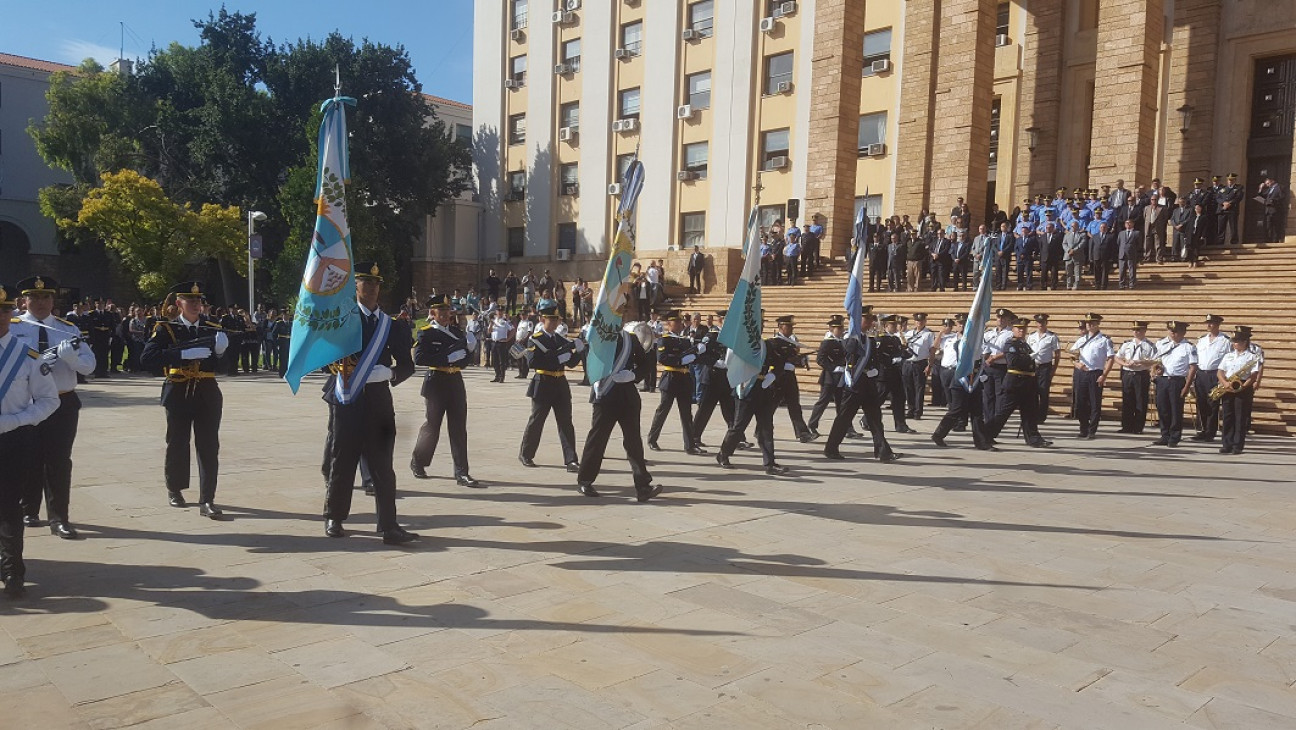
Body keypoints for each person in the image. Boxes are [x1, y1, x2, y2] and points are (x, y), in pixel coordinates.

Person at [320, 263, 418, 544]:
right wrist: (345, 371)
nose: (372, 287)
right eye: (365, 282)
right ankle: (334, 518)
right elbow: (326, 360)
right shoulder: (342, 320)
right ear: (355, 286)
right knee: (343, 458)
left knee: (383, 465)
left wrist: (389, 373)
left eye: (376, 283)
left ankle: (389, 526)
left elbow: (407, 365)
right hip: (348, 399)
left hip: (379, 401)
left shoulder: (393, 326)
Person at [9, 276, 95, 539]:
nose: (40, 302)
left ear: (53, 300)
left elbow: (90, 366)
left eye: (45, 297)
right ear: (24, 300)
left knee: (58, 460)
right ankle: (28, 509)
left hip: (62, 400)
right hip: (28, 401)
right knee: (27, 458)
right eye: (34, 297)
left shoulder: (68, 329)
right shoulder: (11, 327)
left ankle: (59, 517)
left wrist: (72, 360)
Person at [140, 282, 232, 517]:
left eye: (198, 301)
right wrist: (180, 355)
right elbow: (147, 358)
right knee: (177, 443)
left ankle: (207, 499)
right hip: (178, 390)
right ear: (178, 303)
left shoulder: (212, 328)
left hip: (207, 391)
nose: (195, 304)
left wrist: (223, 352)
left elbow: (226, 366)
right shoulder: (165, 329)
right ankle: (175, 488)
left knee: (209, 446)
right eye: (189, 301)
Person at [0, 283, 60, 597]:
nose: (0, 316)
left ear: (12, 313)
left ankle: (13, 571)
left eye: (4, 310)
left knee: (10, 507)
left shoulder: (27, 356)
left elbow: (50, 400)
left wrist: (16, 420)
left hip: (13, 441)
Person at [577, 321, 662, 501]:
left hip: (627, 396)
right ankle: (585, 480)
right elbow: (589, 360)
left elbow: (645, 363)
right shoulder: (599, 338)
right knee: (597, 439)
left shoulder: (630, 339)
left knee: (634, 442)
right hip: (605, 396)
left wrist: (633, 375)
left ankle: (643, 486)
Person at [410, 295, 480, 487]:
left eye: (446, 312)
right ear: (433, 313)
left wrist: (470, 351)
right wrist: (446, 357)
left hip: (455, 381)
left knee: (459, 428)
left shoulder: (457, 334)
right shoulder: (426, 333)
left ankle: (462, 472)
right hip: (436, 382)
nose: (444, 315)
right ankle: (418, 460)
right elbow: (420, 358)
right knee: (432, 426)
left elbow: (464, 360)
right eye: (440, 312)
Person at [823, 310, 897, 462]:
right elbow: (848, 353)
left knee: (875, 418)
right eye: (867, 318)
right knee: (843, 418)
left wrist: (874, 370)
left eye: (871, 319)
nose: (870, 322)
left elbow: (874, 359)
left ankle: (883, 451)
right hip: (854, 386)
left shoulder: (868, 340)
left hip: (868, 385)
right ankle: (831, 448)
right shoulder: (848, 338)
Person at [716, 328, 792, 474]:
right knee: (739, 426)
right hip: (746, 389)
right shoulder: (742, 345)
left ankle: (769, 463)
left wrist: (773, 376)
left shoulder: (767, 345)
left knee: (766, 427)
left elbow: (779, 363)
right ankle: (723, 454)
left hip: (763, 389)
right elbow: (731, 363)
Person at [518, 304, 583, 470]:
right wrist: (557, 360)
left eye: (556, 320)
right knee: (537, 421)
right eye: (551, 320)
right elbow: (532, 362)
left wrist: (580, 351)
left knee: (566, 423)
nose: (554, 323)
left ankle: (571, 459)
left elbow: (571, 362)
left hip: (560, 383)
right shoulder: (536, 339)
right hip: (543, 383)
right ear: (542, 319)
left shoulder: (561, 339)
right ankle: (526, 454)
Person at [985, 318, 1051, 448]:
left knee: (1030, 412)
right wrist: (1029, 358)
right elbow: (1013, 362)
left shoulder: (1024, 344)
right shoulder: (1010, 344)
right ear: (1013, 330)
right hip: (1015, 382)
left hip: (1028, 382)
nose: (1022, 331)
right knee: (1003, 412)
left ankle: (1033, 438)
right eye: (1019, 328)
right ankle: (986, 435)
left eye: (1024, 328)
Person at [646, 310, 704, 454]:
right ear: (668, 324)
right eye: (675, 322)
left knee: (686, 413)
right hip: (670, 377)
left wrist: (695, 354)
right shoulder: (664, 339)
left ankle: (690, 445)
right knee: (663, 410)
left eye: (679, 322)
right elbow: (662, 357)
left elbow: (690, 354)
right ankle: (652, 439)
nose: (679, 325)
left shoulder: (684, 340)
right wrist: (680, 360)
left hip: (684, 378)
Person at [692, 311, 738, 448]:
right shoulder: (712, 335)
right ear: (720, 320)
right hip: (712, 377)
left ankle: (737, 437)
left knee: (730, 410)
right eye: (725, 320)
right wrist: (715, 362)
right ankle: (694, 436)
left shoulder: (734, 337)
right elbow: (700, 355)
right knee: (705, 409)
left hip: (726, 377)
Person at [1216, 325, 1262, 455]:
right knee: (1227, 416)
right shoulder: (1228, 356)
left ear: (1244, 342)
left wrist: (1243, 386)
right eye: (1233, 341)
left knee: (1240, 417)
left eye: (1237, 341)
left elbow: (1253, 375)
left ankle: (1237, 445)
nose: (1234, 343)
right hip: (1228, 385)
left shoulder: (1252, 357)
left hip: (1243, 386)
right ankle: (1227, 444)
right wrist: (1225, 383)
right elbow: (1220, 372)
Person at [1150, 321, 1198, 447]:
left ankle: (1174, 436)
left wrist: (1187, 386)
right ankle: (1164, 435)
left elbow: (1192, 367)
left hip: (1177, 380)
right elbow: (1156, 361)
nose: (1172, 333)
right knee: (1162, 408)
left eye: (1175, 331)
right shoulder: (1162, 344)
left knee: (1175, 409)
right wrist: (1156, 368)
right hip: (1163, 380)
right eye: (1170, 330)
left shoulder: (1188, 347)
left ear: (1183, 332)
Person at [1068, 313, 1114, 439]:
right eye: (1088, 323)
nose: (1089, 325)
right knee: (1081, 402)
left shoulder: (1104, 340)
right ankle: (1083, 428)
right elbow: (1071, 355)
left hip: (1095, 373)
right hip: (1082, 373)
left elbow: (1110, 358)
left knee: (1094, 402)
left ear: (1098, 324)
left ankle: (1092, 430)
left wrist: (1104, 375)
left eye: (1092, 323)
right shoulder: (1082, 339)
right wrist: (1076, 363)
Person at [807, 315, 850, 438]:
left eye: (841, 328)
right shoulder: (827, 342)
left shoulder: (842, 342)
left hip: (841, 378)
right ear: (831, 329)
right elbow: (820, 359)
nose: (841, 330)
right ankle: (812, 425)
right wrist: (833, 368)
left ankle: (846, 428)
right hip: (829, 378)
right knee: (823, 402)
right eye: (838, 329)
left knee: (842, 404)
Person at [1114, 321, 1157, 434]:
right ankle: (1126, 426)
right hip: (1127, 373)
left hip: (1141, 374)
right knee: (1127, 400)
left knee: (1140, 401)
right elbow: (1117, 357)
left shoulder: (1150, 345)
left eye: (1138, 330)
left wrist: (1141, 363)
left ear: (1144, 331)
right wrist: (1124, 364)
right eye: (1134, 329)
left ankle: (1138, 427)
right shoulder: (1127, 344)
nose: (1135, 332)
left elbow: (1154, 361)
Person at [1192, 314, 1230, 442]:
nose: (1208, 325)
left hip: (1215, 374)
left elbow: (1229, 360)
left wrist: (1224, 378)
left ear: (1218, 324)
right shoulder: (1202, 340)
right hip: (1201, 374)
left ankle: (1210, 431)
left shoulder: (1225, 340)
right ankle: (1201, 430)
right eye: (1207, 323)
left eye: (1211, 323)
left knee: (1213, 404)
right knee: (1201, 403)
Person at [980, 308, 1016, 426]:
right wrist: (986, 358)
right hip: (988, 367)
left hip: (1001, 367)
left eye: (1003, 318)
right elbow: (983, 348)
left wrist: (994, 358)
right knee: (987, 395)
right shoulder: (989, 333)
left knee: (999, 395)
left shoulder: (1010, 334)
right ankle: (988, 419)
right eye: (998, 317)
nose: (1000, 320)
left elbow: (1009, 351)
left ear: (1008, 320)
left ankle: (997, 421)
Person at [1026, 314, 1060, 423]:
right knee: (1032, 392)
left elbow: (1057, 354)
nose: (1041, 325)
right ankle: (1033, 414)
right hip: (1033, 366)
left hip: (1045, 366)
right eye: (1039, 323)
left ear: (1046, 323)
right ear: (1036, 324)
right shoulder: (1031, 336)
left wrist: (1053, 370)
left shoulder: (1052, 337)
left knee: (1043, 392)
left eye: (1043, 322)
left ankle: (1041, 417)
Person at [901, 313, 935, 420]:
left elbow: (932, 350)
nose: (919, 323)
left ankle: (918, 411)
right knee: (908, 387)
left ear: (925, 321)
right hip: (908, 363)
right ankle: (910, 409)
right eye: (917, 321)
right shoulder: (909, 333)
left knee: (919, 388)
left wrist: (929, 365)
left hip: (920, 363)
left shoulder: (928, 334)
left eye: (921, 321)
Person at [1215, 173, 1243, 247]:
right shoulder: (1223, 189)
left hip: (1232, 209)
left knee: (1233, 226)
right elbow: (1218, 198)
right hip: (1222, 209)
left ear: (1235, 180)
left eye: (1232, 180)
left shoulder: (1238, 188)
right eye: (1229, 180)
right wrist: (1223, 203)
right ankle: (1220, 242)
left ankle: (1234, 241)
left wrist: (1229, 203)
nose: (1230, 181)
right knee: (1221, 227)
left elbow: (1238, 197)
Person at [488, 309, 515, 382]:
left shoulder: (505, 321)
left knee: (502, 361)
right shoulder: (493, 321)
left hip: (501, 343)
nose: (499, 313)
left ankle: (502, 377)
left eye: (501, 311)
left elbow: (512, 330)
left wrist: (508, 339)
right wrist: (491, 324)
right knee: (494, 361)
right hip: (494, 342)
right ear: (496, 312)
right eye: (498, 311)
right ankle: (497, 375)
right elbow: (489, 331)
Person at [1117, 219, 1142, 290]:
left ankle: (1132, 284)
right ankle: (1121, 284)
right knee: (1122, 270)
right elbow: (1118, 243)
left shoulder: (1137, 233)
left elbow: (1139, 244)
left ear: (1133, 224)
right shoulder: (1121, 233)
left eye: (1130, 223)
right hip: (1122, 254)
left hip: (1132, 254)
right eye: (1126, 223)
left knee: (1132, 270)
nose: (1128, 224)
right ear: (1125, 225)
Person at [1259, 175, 1286, 243]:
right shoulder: (1269, 189)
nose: (1267, 185)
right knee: (1268, 226)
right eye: (1266, 184)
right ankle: (1268, 240)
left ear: (1272, 181)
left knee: (1275, 226)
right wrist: (1260, 188)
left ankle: (1275, 241)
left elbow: (1282, 197)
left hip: (1275, 210)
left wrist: (1273, 200)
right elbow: (1263, 195)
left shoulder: (1279, 187)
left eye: (1268, 183)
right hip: (1268, 211)